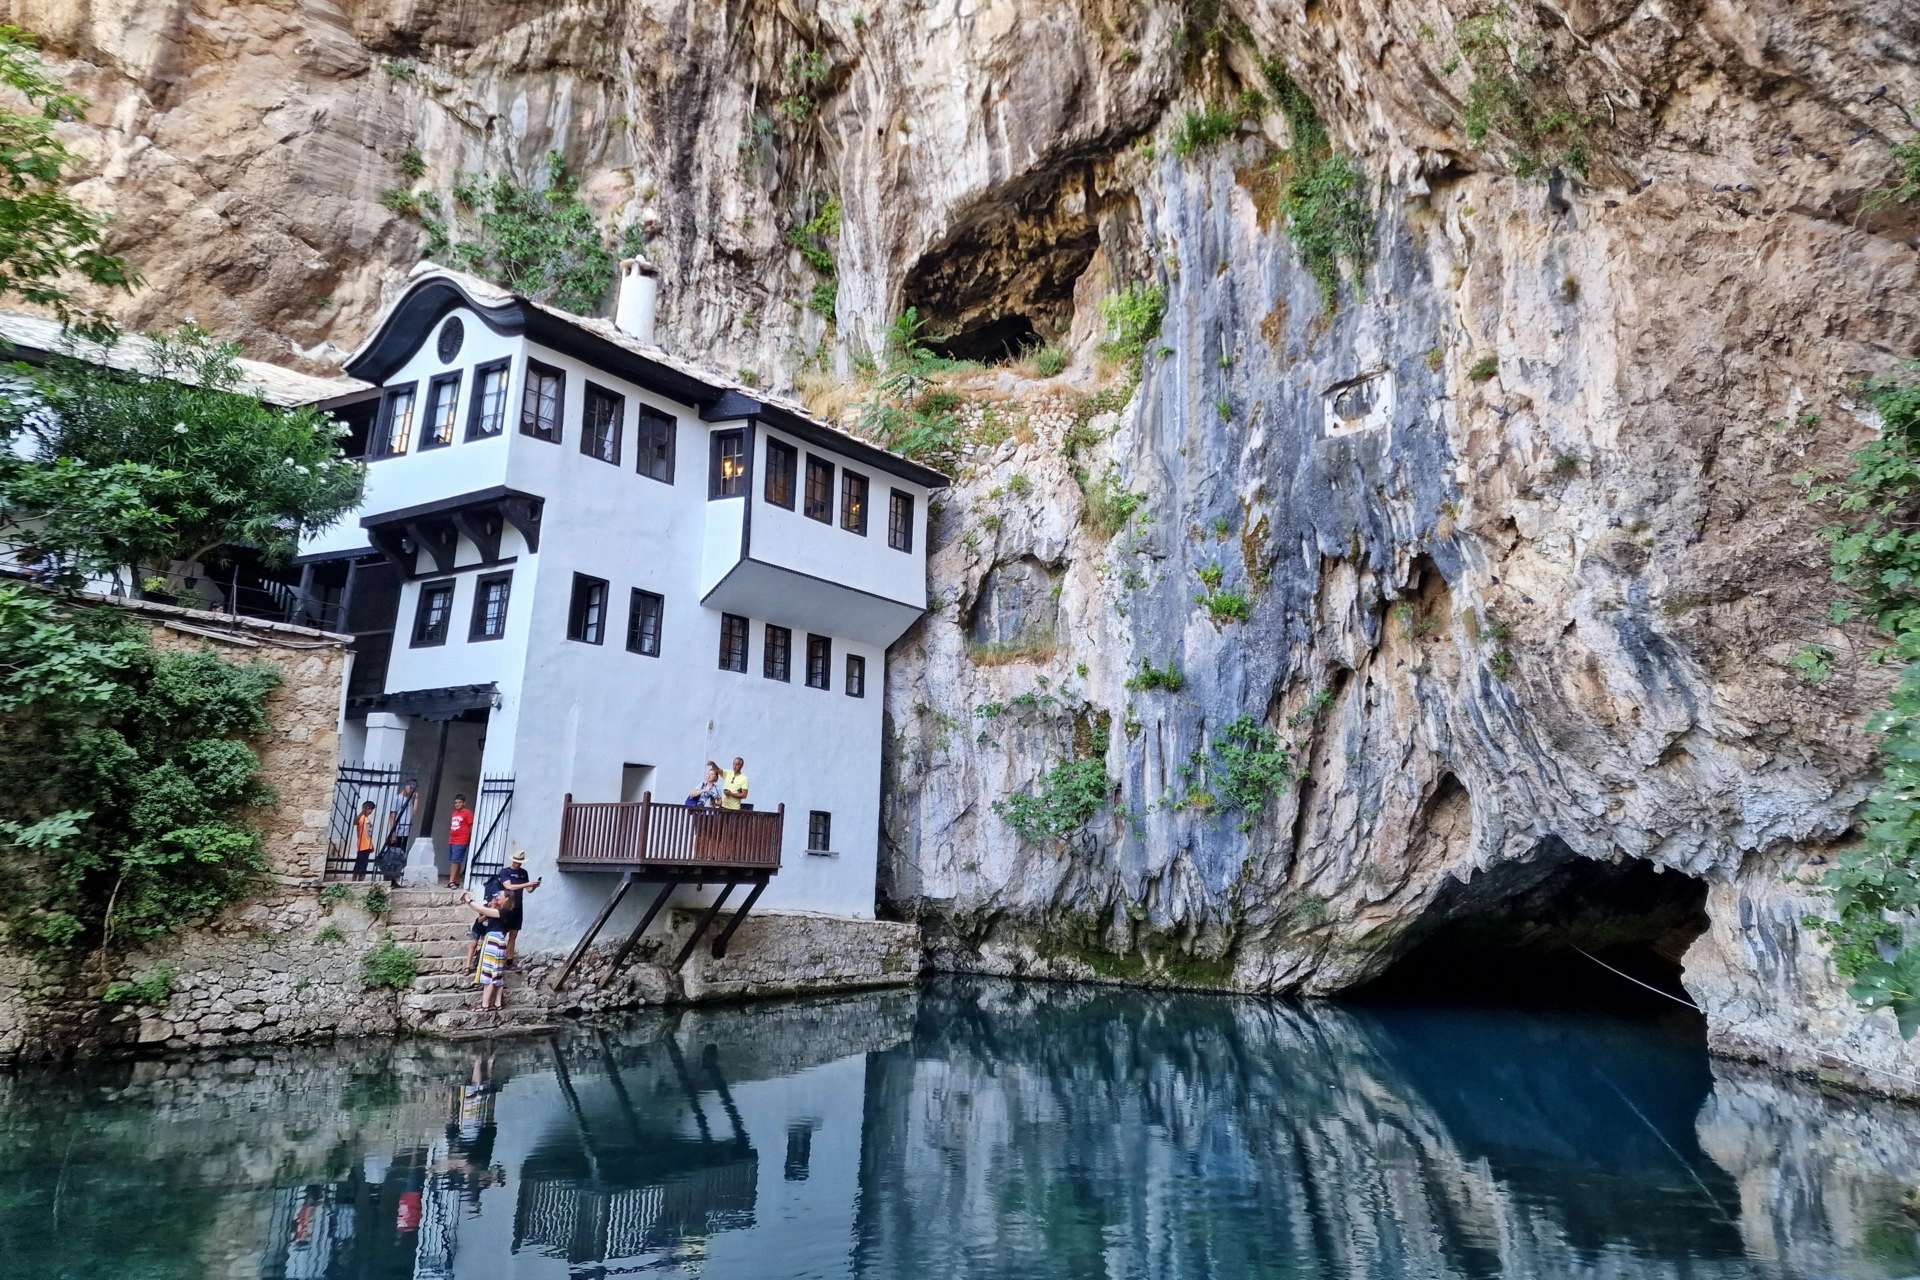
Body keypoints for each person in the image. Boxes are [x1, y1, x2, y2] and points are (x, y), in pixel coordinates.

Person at [484, 851, 542, 965]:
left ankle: (509, 960)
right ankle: (496, 958)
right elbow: (509, 886)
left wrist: (534, 886)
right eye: (516, 862)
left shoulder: (523, 873)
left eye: (520, 862)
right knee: (502, 932)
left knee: (514, 933)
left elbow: (528, 890)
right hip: (507, 906)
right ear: (513, 860)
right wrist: (526, 884)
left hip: (518, 906)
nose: (518, 864)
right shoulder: (505, 872)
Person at [464, 888, 513, 1011]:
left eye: (500, 895)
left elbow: (481, 909)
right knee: (497, 973)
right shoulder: (505, 911)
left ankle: (485, 1005)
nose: (497, 897)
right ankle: (497, 1003)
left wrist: (468, 900)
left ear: (507, 898)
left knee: (489, 973)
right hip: (498, 942)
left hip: (493, 942)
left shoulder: (503, 912)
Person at [446, 793, 474, 888]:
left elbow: (471, 826)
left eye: (459, 802)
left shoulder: (467, 813)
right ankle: (455, 880)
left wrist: (471, 839)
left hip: (461, 840)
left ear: (464, 803)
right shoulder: (454, 813)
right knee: (455, 861)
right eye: (455, 803)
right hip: (453, 840)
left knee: (455, 861)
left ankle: (451, 881)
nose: (457, 804)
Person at [352, 800, 377, 880]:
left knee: (363, 864)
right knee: (360, 864)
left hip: (367, 845)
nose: (370, 811)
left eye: (371, 809)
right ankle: (356, 880)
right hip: (363, 845)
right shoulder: (362, 818)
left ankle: (360, 879)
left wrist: (371, 845)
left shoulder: (367, 819)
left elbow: (368, 834)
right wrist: (362, 812)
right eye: (369, 809)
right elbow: (355, 822)